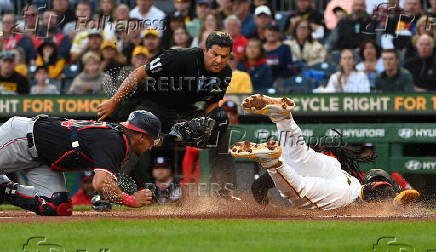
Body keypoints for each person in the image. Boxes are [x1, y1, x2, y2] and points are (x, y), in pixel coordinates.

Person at [230, 94, 420, 210]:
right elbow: (371, 189)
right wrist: (395, 200)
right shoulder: (356, 185)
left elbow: (373, 186)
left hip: (332, 168)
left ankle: (283, 119)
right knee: (300, 190)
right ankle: (271, 163)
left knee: (299, 155)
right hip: (344, 193)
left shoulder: (340, 166)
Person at [0, 110, 161, 216]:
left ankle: (3, 188)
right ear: (141, 136)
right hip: (19, 138)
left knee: (57, 206)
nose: (150, 146)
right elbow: (101, 184)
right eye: (151, 141)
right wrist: (131, 200)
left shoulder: (117, 139)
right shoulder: (114, 141)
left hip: (41, 157)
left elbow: (105, 184)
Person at [97, 31, 233, 144]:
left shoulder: (225, 73)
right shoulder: (180, 57)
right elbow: (139, 73)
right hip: (152, 103)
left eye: (224, 56)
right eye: (215, 54)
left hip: (182, 111)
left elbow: (212, 103)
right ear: (205, 50)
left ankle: (216, 172)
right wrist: (114, 101)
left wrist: (208, 124)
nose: (219, 61)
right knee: (139, 126)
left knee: (221, 119)